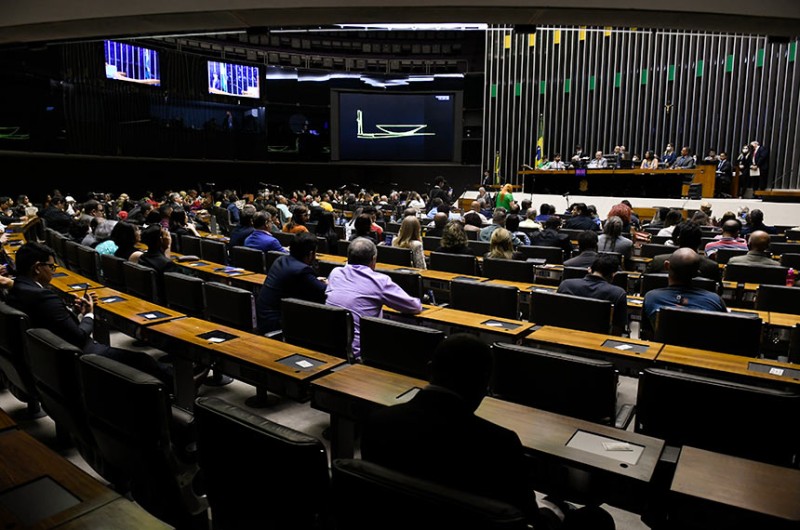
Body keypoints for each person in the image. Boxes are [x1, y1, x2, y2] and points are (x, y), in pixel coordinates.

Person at [360, 334, 614, 530]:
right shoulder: (500, 444)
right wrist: (552, 509)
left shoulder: (378, 421)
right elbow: (527, 516)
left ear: (430, 369)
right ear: (486, 384)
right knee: (596, 517)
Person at [6, 243, 173, 384]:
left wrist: (73, 311)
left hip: (50, 358)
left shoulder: (16, 290)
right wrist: (89, 314)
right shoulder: (43, 296)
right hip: (83, 355)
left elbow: (52, 320)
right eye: (51, 266)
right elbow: (79, 336)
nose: (54, 271)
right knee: (144, 360)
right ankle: (182, 387)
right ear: (37, 268)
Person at [325, 237, 422, 359]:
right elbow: (414, 307)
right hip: (361, 352)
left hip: (331, 346)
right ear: (374, 259)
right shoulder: (379, 280)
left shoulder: (335, 273)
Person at [255, 232, 327, 334]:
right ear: (311, 254)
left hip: (262, 317)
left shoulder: (280, 260)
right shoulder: (302, 270)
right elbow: (324, 292)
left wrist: (314, 280)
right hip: (277, 323)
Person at [643, 248, 727, 327]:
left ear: (666, 266)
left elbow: (646, 332)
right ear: (696, 273)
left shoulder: (651, 297)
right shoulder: (715, 301)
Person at [558, 254, 628, 335]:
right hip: (598, 340)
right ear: (613, 275)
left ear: (589, 270)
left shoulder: (566, 285)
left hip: (564, 336)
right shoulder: (618, 293)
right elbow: (617, 329)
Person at [646, 222, 719, 281]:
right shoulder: (711, 266)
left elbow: (639, 285)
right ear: (700, 242)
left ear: (677, 240)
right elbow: (719, 291)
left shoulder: (658, 261)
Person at [137, 224, 179, 301]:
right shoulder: (168, 264)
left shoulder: (142, 257)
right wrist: (168, 244)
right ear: (161, 239)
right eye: (166, 234)